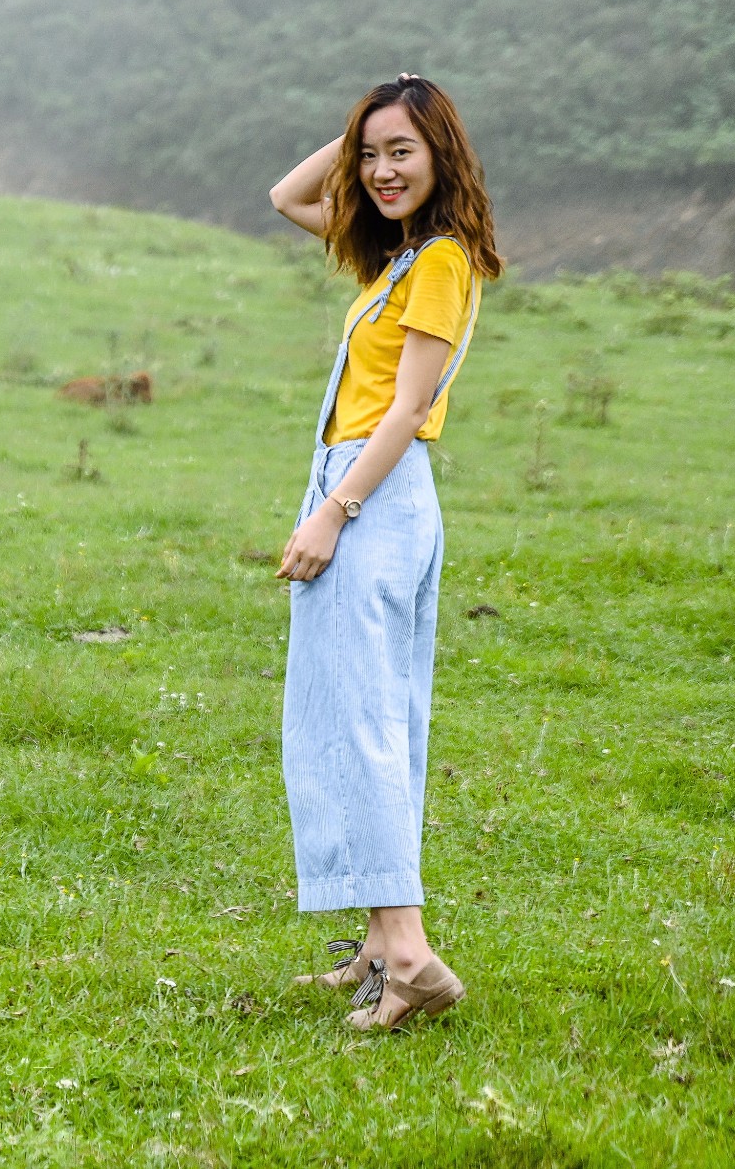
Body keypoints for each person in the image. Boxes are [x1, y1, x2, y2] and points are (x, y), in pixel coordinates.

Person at [265, 73, 502, 1031]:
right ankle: (376, 944)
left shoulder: (443, 262)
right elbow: (289, 196)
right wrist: (359, 121)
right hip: (362, 484)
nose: (379, 170)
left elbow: (408, 406)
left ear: (444, 152)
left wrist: (335, 512)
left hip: (373, 488)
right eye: (369, 155)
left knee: (356, 718)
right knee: (370, 712)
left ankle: (409, 959)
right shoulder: (397, 258)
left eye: (402, 149)